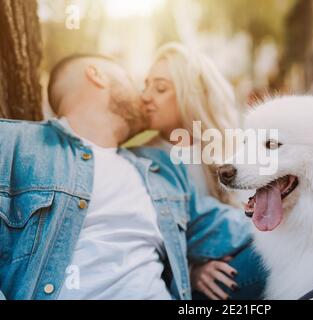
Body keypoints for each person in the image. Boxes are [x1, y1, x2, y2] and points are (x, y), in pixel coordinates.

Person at [0, 54, 259, 300]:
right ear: (97, 75)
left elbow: (228, 227)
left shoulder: (159, 168)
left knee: (278, 255)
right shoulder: (15, 143)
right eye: (133, 80)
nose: (144, 95)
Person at [142, 43, 263, 300]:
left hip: (239, 252)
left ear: (191, 94)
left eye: (160, 88)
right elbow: (146, 245)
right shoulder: (145, 159)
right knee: (279, 258)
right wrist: (190, 273)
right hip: (193, 286)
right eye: (146, 85)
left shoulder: (226, 146)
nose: (146, 96)